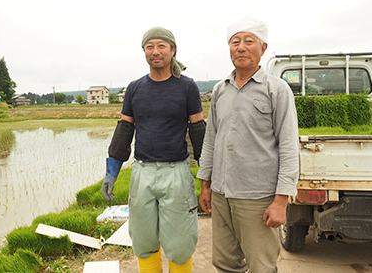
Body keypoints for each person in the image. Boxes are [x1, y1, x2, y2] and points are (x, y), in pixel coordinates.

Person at [197, 16, 299, 273]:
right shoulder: (220, 90)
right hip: (221, 194)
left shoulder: (277, 89)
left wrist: (281, 201)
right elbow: (211, 139)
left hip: (257, 197)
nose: (241, 47)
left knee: (261, 265)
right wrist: (206, 184)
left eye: (248, 41)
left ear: (263, 49)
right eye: (235, 42)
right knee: (225, 263)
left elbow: (288, 146)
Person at [101, 27, 206, 273]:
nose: (155, 52)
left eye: (161, 46)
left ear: (173, 50)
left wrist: (207, 179)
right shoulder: (135, 88)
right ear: (144, 51)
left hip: (176, 172)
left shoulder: (187, 87)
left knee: (180, 243)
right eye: (150, 47)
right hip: (142, 172)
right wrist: (111, 173)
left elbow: (199, 131)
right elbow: (125, 131)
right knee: (144, 241)